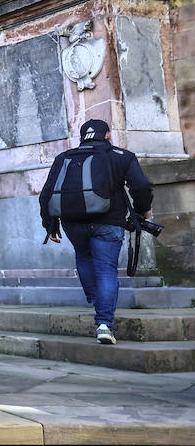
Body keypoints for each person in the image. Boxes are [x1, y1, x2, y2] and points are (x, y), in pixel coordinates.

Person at [40, 119, 154, 344]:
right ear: (108, 135)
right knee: (106, 270)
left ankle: (97, 300)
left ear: (82, 137)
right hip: (109, 222)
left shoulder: (64, 158)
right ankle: (104, 323)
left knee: (83, 256)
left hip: (72, 223)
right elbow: (140, 186)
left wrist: (50, 224)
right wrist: (143, 211)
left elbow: (46, 194)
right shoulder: (122, 156)